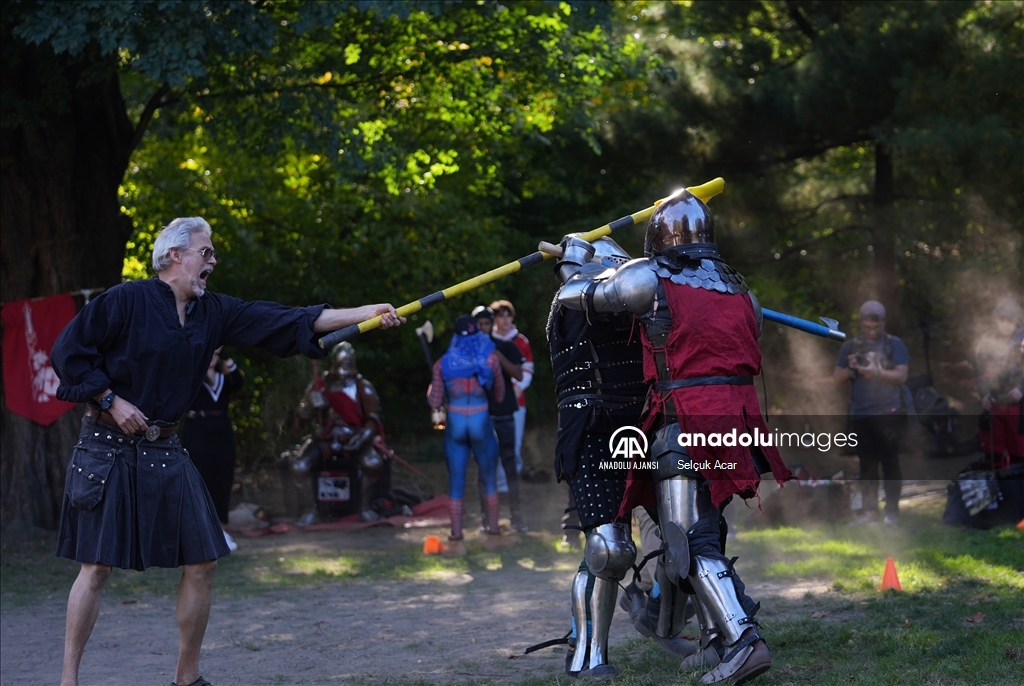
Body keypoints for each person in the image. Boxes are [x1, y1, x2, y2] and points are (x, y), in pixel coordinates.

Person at [50, 216, 403, 686]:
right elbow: (67, 352)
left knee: (203, 560)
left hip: (165, 447)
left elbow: (289, 319)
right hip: (107, 445)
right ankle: (69, 679)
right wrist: (111, 401)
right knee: (95, 567)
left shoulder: (212, 311)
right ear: (175, 255)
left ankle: (186, 678)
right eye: (206, 252)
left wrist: (364, 313)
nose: (213, 260)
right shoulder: (126, 300)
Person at [555, 189, 791, 684]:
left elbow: (582, 297)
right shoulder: (743, 291)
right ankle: (714, 638)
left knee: (690, 542)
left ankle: (743, 640)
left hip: (686, 420)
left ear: (659, 235)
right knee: (710, 528)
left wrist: (576, 260)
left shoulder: (648, 277)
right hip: (737, 423)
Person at [548, 236, 695, 678]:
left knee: (688, 533)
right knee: (608, 548)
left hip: (646, 424)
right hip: (592, 429)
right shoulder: (569, 300)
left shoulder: (639, 300)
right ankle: (588, 654)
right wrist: (573, 260)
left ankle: (662, 620)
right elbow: (575, 288)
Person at [427, 315, 506, 551]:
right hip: (481, 420)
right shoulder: (491, 360)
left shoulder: (442, 363)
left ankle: (456, 536)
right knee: (489, 478)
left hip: (456, 423)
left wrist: (432, 389)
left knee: (456, 481)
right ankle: (493, 531)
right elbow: (500, 395)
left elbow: (434, 400)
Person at [291, 341, 390, 524]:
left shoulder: (363, 386)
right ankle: (310, 511)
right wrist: (309, 407)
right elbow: (301, 421)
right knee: (299, 466)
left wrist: (362, 438)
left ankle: (365, 508)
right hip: (325, 437)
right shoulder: (320, 385)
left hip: (354, 435)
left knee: (373, 462)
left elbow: (374, 420)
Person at [833, 300, 910, 526]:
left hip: (889, 412)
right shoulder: (851, 346)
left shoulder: (894, 344)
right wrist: (853, 367)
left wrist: (877, 370)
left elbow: (902, 375)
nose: (871, 331)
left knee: (890, 463)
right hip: (861, 415)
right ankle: (869, 514)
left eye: (875, 327)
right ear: (861, 324)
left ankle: (892, 513)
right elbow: (837, 378)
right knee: (866, 465)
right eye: (867, 327)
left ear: (884, 323)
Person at [472, 305, 528, 533]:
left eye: (487, 324)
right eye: (479, 325)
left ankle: (516, 517)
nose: (483, 329)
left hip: (504, 414)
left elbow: (518, 373)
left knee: (510, 465)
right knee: (484, 469)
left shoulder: (506, 346)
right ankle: (487, 520)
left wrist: (496, 354)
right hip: (480, 417)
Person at [182, 347, 244, 552]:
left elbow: (239, 382)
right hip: (196, 431)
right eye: (207, 352)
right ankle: (200, 531)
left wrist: (225, 353)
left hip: (222, 432)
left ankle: (221, 530)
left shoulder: (223, 379)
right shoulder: (192, 377)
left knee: (223, 479)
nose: (212, 357)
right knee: (199, 479)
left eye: (214, 354)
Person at [972, 296, 1024, 466]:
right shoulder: (987, 341)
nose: (1006, 325)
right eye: (1002, 320)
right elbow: (979, 371)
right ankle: (998, 488)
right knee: (994, 453)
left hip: (1018, 406)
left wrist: (1021, 390)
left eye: (1011, 320)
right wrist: (985, 394)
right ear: (996, 320)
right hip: (994, 405)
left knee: (1019, 452)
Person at [489, 299, 534, 487]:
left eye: (509, 316)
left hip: (516, 402)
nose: (505, 320)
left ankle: (511, 482)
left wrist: (518, 387)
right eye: (501, 316)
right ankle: (499, 485)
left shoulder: (521, 341)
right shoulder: (486, 340)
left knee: (512, 445)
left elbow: (528, 370)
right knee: (493, 445)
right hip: (491, 403)